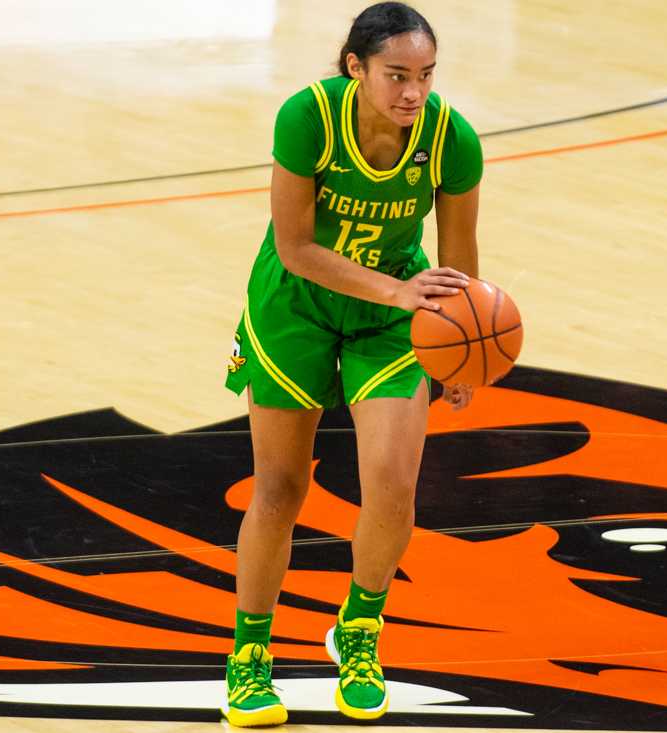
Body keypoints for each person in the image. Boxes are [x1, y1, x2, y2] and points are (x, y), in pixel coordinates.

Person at [221, 1, 483, 726]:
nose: (413, 93)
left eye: (425, 76)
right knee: (279, 489)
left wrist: (462, 340)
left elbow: (459, 260)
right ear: (354, 68)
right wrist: (400, 290)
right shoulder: (305, 118)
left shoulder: (450, 137)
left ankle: (359, 630)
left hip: (390, 318)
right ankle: (249, 657)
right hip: (295, 306)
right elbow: (297, 246)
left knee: (395, 487)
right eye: (397, 75)